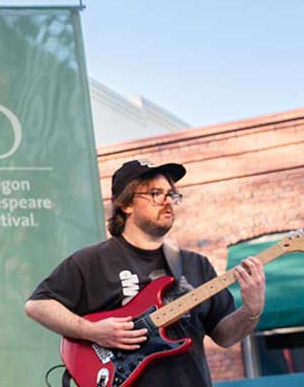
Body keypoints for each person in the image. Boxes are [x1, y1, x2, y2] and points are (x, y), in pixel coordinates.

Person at [25, 160, 266, 385]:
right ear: (126, 204)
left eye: (171, 194)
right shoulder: (92, 261)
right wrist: (93, 331)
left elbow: (224, 336)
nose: (167, 201)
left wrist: (251, 311)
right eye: (155, 194)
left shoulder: (196, 265)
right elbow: (38, 305)